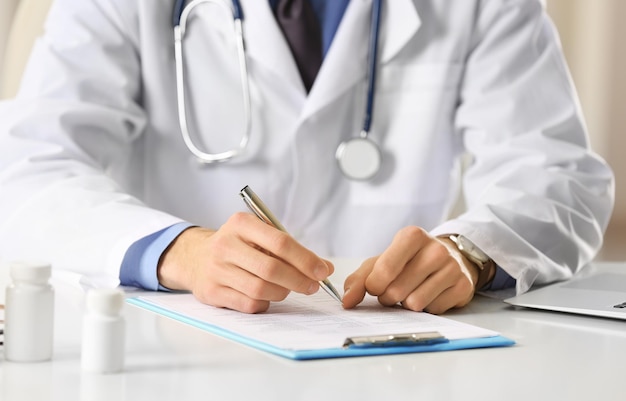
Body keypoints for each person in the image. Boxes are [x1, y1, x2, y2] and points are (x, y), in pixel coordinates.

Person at [0, 0, 615, 315]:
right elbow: (29, 164)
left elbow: (557, 173)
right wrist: (176, 252)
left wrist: (472, 252)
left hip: (394, 346)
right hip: (175, 346)